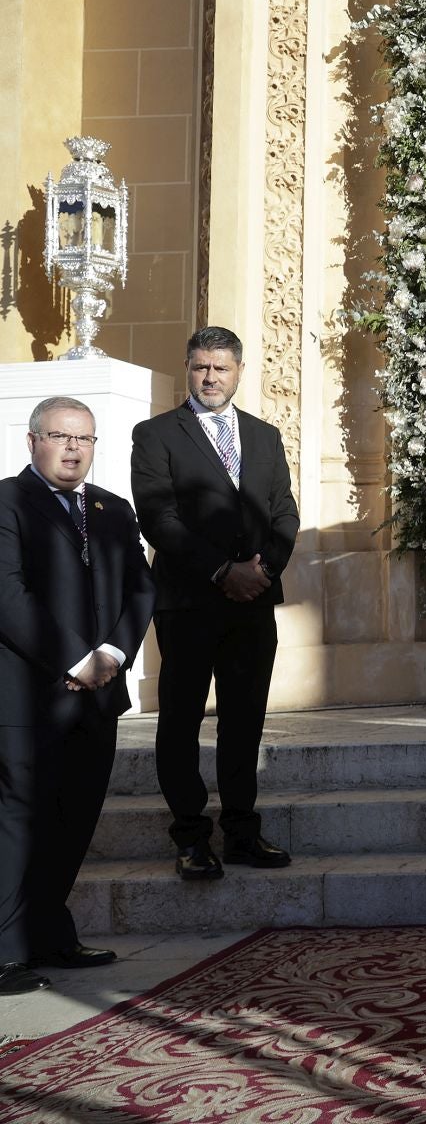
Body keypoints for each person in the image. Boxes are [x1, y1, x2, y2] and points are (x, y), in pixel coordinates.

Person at [131, 327, 299, 881]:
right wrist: (222, 571)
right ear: (188, 368)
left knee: (244, 720)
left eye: (220, 368)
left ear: (239, 372)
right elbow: (159, 518)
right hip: (187, 603)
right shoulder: (156, 434)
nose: (210, 378)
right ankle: (190, 838)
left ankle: (242, 832)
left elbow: (284, 515)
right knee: (180, 721)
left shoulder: (265, 436)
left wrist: (261, 571)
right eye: (201, 367)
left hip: (253, 604)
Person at [0, 398, 155, 995]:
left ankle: (48, 934)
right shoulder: (8, 503)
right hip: (27, 699)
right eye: (60, 437)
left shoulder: (112, 510)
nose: (72, 449)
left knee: (73, 822)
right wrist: (74, 658)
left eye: (84, 439)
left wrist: (113, 655)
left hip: (96, 699)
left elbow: (141, 589)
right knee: (19, 821)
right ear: (32, 440)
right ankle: (6, 949)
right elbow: (8, 595)